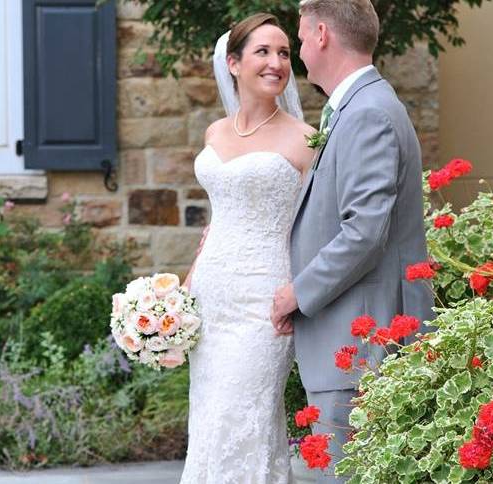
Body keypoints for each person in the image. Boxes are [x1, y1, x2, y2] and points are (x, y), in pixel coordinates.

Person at [270, 0, 435, 482]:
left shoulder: (367, 113)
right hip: (352, 339)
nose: (298, 50)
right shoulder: (354, 108)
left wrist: (297, 293)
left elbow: (364, 231)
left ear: (322, 34)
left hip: (362, 342)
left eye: (299, 38)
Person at [179, 12, 316, 484]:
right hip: (209, 298)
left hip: (264, 301)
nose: (277, 62)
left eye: (283, 53)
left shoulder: (304, 140)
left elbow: (317, 227)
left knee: (246, 422)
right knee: (208, 422)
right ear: (233, 63)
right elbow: (219, 216)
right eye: (263, 52)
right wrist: (183, 287)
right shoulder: (215, 133)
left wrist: (298, 290)